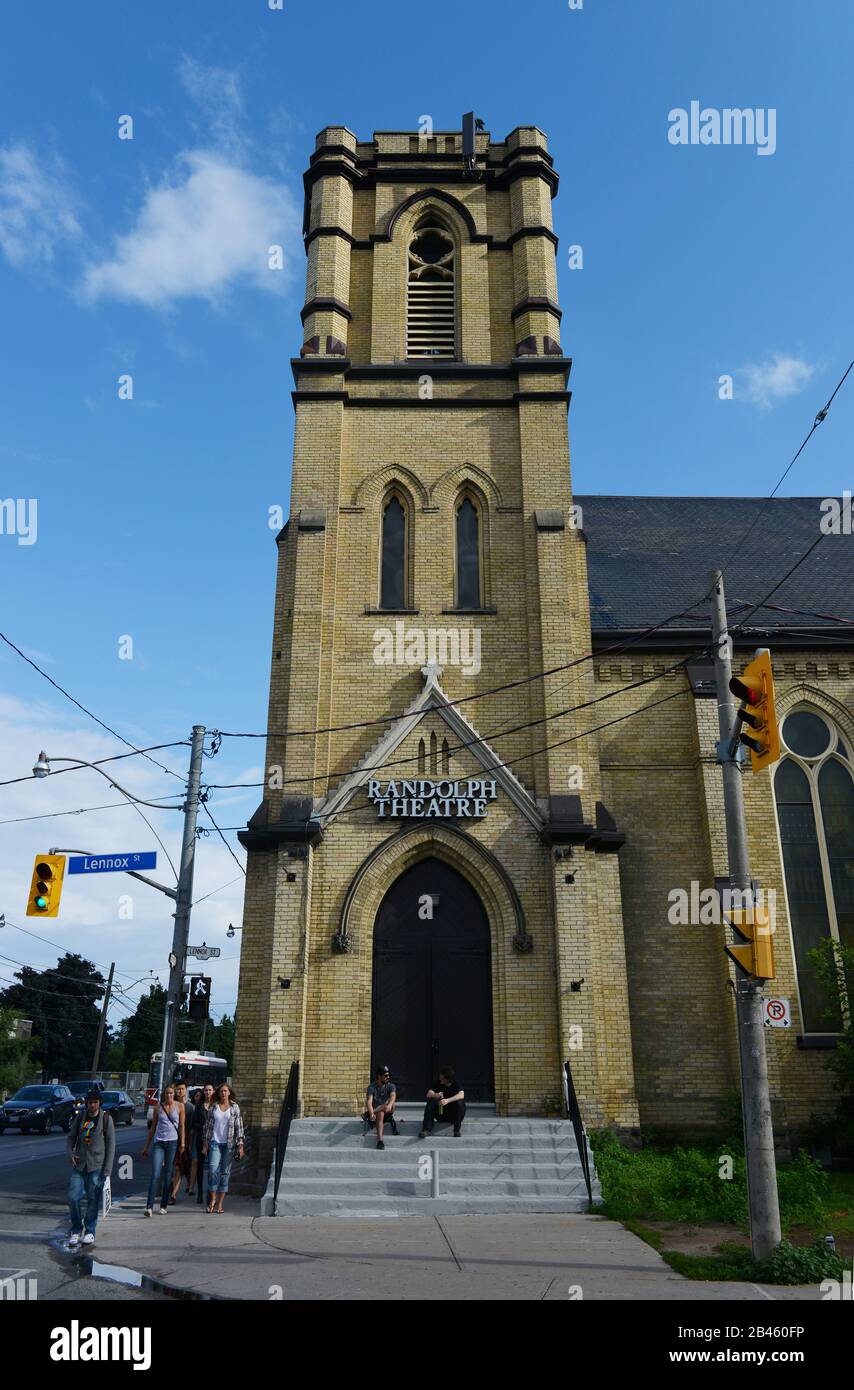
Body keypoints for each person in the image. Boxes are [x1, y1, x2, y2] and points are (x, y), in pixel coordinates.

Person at [67, 1089, 116, 1247]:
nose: (92, 1105)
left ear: (99, 1103)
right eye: (89, 1102)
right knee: (73, 1197)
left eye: (95, 1102)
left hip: (97, 1166)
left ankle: (89, 1231)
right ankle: (76, 1230)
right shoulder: (81, 1116)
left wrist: (107, 1170)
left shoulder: (106, 1118)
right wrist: (70, 1153)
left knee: (93, 1200)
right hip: (80, 1165)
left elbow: (111, 1145)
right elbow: (71, 1137)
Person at [141, 1082, 185, 1216]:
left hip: (172, 1143)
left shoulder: (180, 1106)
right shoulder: (158, 1108)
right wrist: (146, 1147)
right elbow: (153, 1128)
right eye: (167, 1093)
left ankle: (163, 1204)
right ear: (164, 1095)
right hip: (159, 1142)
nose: (169, 1095)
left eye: (171, 1093)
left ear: (174, 1094)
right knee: (155, 1173)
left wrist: (182, 1143)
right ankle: (149, 1206)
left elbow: (182, 1126)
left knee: (168, 1174)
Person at [202, 1083, 244, 1214]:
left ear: (229, 1092)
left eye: (225, 1091)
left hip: (229, 1144)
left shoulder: (234, 1107)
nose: (223, 1093)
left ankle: (220, 1204)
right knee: (213, 1170)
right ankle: (213, 1200)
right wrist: (205, 1144)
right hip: (215, 1142)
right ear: (218, 1093)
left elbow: (239, 1127)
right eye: (221, 1091)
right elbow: (208, 1127)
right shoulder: (213, 1107)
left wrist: (240, 1145)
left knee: (225, 1173)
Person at [419, 1067, 466, 1138]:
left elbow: (461, 1095)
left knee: (459, 1103)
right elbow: (428, 1094)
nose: (440, 1079)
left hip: (453, 1116)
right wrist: (436, 1095)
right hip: (441, 1114)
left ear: (448, 1079)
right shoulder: (438, 1083)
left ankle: (456, 1131)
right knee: (431, 1101)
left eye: (442, 1078)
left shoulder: (456, 1084)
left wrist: (447, 1100)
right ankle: (426, 1129)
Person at [169, 1082, 195, 1202]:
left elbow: (191, 1126)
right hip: (173, 1138)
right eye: (178, 1089)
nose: (180, 1091)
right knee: (178, 1167)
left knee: (185, 1165)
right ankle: (173, 1194)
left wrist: (188, 1142)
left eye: (182, 1089)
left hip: (186, 1140)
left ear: (185, 1090)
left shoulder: (190, 1107)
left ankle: (189, 1185)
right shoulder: (171, 1105)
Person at [190, 1083, 215, 1205]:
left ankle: (211, 1194)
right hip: (200, 1139)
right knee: (200, 1166)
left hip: (213, 1140)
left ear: (213, 1091)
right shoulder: (199, 1106)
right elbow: (193, 1123)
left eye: (210, 1090)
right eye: (206, 1090)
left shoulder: (216, 1106)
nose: (208, 1092)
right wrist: (203, 1128)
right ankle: (200, 1193)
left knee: (212, 1167)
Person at [364, 1065, 398, 1150]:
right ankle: (380, 1141)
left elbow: (393, 1096)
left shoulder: (391, 1086)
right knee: (381, 1113)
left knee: (393, 1104)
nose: (388, 1077)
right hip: (377, 1114)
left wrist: (389, 1105)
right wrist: (372, 1113)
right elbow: (369, 1101)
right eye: (385, 1076)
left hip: (388, 1110)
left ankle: (367, 1114)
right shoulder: (371, 1087)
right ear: (379, 1076)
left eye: (388, 1075)